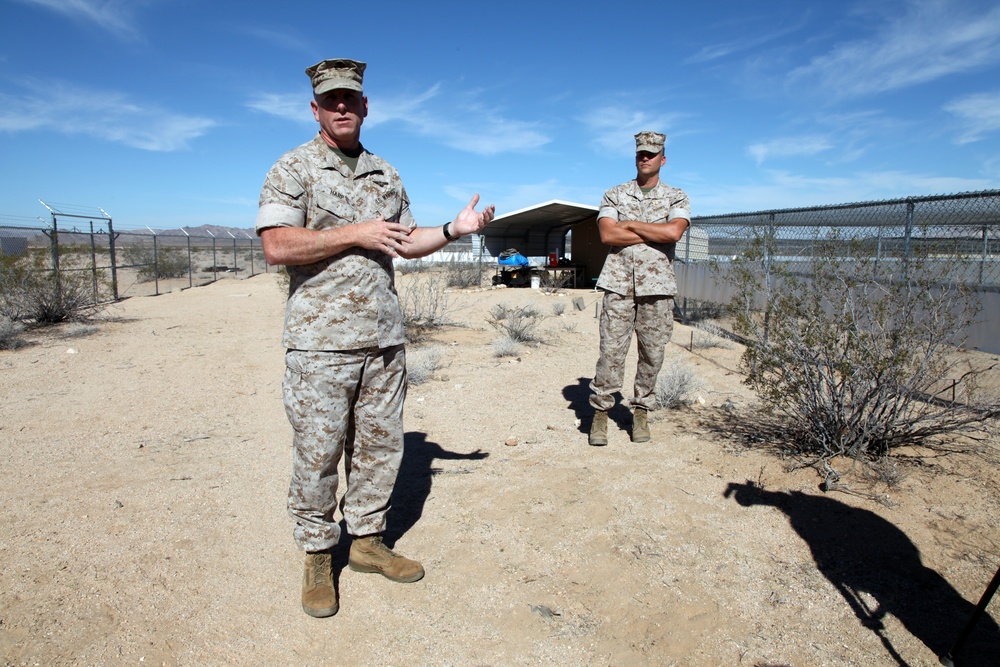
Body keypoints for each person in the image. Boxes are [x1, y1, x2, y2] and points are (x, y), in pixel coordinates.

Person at [255, 58, 495, 618]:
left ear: (365, 106)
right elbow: (278, 246)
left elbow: (405, 243)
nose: (342, 106)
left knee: (381, 449)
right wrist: (354, 232)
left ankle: (365, 542)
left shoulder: (386, 174)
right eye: (331, 99)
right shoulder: (293, 168)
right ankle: (318, 554)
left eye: (351, 98)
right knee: (318, 452)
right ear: (315, 108)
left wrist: (455, 230)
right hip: (320, 344)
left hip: (383, 341)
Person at [588, 131, 690, 446]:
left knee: (652, 353)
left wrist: (629, 225)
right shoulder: (614, 195)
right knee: (611, 352)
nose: (645, 158)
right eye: (640, 153)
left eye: (651, 153)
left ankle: (641, 411)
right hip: (618, 285)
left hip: (657, 288)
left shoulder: (677, 197)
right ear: (635, 156)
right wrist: (653, 232)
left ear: (662, 158)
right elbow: (608, 236)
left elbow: (674, 233)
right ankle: (601, 414)